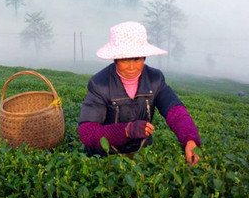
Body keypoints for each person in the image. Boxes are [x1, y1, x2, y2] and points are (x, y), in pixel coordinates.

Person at [78, 21, 200, 165]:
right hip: (104, 158)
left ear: (144, 57)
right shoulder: (100, 84)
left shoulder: (155, 79)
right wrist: (127, 130)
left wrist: (190, 140)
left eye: (137, 59)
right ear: (115, 59)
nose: (131, 67)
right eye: (124, 60)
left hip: (140, 154)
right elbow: (87, 132)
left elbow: (176, 112)